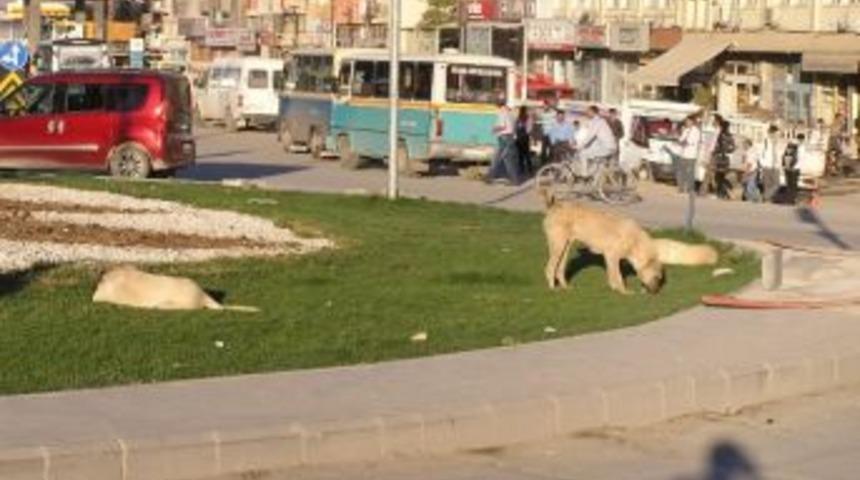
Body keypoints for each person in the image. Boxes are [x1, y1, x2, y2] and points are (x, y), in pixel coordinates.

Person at [485, 99, 520, 185]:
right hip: (509, 137)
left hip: (504, 137)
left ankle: (490, 177)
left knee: (501, 158)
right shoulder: (510, 113)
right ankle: (490, 176)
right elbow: (513, 127)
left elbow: (502, 125)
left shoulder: (502, 112)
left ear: (498, 105)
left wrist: (494, 129)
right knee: (504, 158)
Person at [670, 115, 702, 194]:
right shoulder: (685, 130)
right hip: (683, 154)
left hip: (691, 155)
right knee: (680, 172)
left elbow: (691, 142)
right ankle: (680, 188)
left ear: (692, 121)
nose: (686, 122)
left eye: (687, 121)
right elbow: (681, 139)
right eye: (686, 121)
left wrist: (682, 142)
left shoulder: (696, 131)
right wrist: (677, 140)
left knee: (690, 173)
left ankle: (689, 189)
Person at [711, 115, 735, 199]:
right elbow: (732, 147)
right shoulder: (729, 136)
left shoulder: (723, 136)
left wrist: (719, 151)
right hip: (723, 157)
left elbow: (731, 147)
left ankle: (724, 192)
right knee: (720, 176)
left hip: (722, 158)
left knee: (719, 176)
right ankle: (723, 193)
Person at [760, 125, 782, 202]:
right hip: (767, 165)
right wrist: (763, 164)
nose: (777, 135)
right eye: (776, 134)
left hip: (776, 166)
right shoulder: (765, 142)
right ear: (771, 133)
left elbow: (780, 154)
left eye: (777, 134)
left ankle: (765, 196)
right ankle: (767, 202)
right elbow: (760, 153)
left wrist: (779, 165)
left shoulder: (778, 143)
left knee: (776, 184)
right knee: (767, 185)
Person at [782, 133, 803, 205]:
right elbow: (798, 159)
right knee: (793, 185)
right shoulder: (800, 147)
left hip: (788, 168)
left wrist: (785, 165)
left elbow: (784, 156)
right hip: (795, 169)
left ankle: (788, 199)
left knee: (789, 184)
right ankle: (792, 200)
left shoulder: (791, 145)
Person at [514, 106, 533, 177]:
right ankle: (527, 169)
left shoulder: (521, 118)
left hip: (521, 137)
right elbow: (529, 129)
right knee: (525, 154)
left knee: (522, 155)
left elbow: (528, 129)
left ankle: (524, 169)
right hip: (523, 137)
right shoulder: (522, 118)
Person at [538, 98, 558, 166]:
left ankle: (550, 164)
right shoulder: (542, 113)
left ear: (548, 105)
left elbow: (556, 123)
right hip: (544, 134)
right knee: (543, 150)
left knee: (551, 150)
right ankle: (543, 165)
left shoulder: (554, 113)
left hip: (551, 134)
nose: (544, 107)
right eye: (543, 106)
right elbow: (541, 123)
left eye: (545, 106)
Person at [741, 138, 762, 202]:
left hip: (751, 170)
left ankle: (753, 198)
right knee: (750, 185)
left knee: (750, 185)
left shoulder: (751, 152)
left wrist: (746, 171)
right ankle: (756, 198)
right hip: (751, 170)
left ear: (748, 144)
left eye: (744, 144)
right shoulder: (747, 152)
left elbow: (750, 163)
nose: (743, 146)